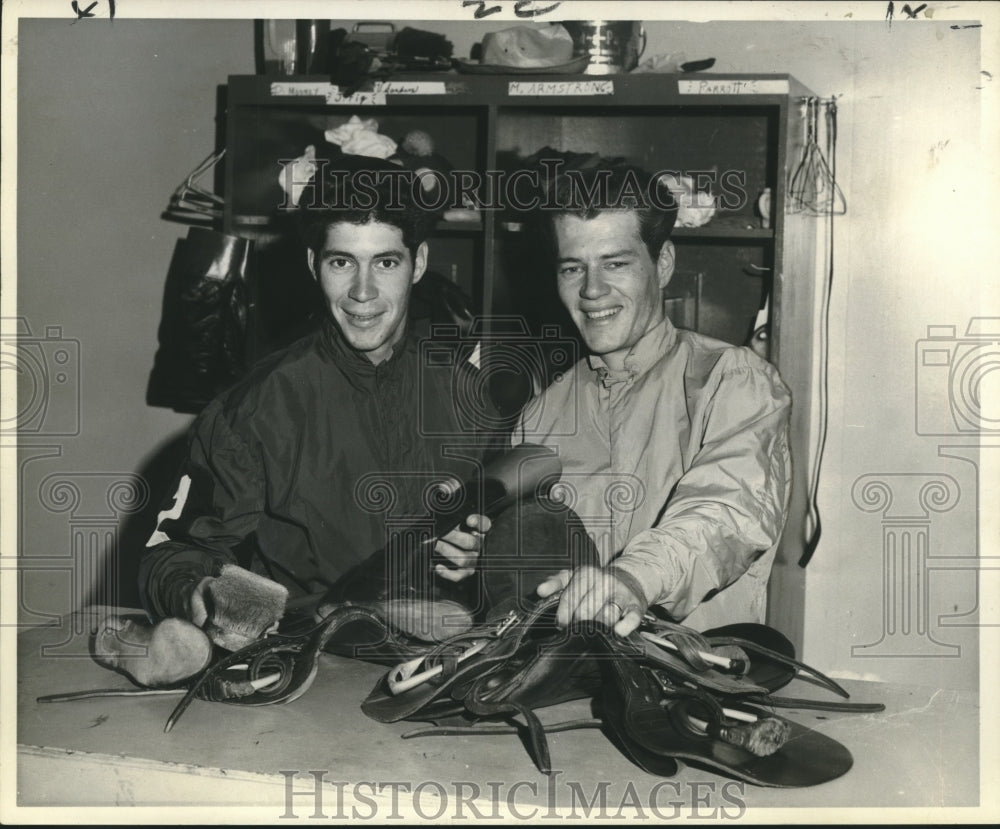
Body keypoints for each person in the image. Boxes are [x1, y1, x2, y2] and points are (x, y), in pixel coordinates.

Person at [115, 165, 498, 686]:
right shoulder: (255, 409)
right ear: (313, 263)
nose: (363, 291)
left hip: (446, 668)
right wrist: (200, 592)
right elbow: (171, 552)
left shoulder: (471, 395)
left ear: (419, 263)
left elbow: (517, 549)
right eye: (343, 262)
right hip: (311, 668)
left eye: (385, 261)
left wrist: (484, 556)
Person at [517, 163, 792, 636]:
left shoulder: (734, 381)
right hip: (563, 690)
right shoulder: (540, 415)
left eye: (616, 263)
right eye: (572, 268)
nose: (592, 290)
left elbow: (726, 510)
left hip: (693, 686)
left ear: (662, 263)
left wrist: (633, 579)